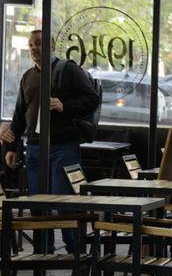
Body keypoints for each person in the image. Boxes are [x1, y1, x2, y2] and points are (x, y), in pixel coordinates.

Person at [0, 30, 99, 254]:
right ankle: (44, 251)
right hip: (34, 148)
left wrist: (65, 105)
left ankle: (76, 252)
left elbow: (92, 99)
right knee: (38, 204)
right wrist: (11, 148)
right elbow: (19, 116)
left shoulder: (68, 69)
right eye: (31, 45)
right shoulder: (28, 77)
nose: (34, 48)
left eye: (39, 44)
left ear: (52, 46)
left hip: (63, 146)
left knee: (65, 201)